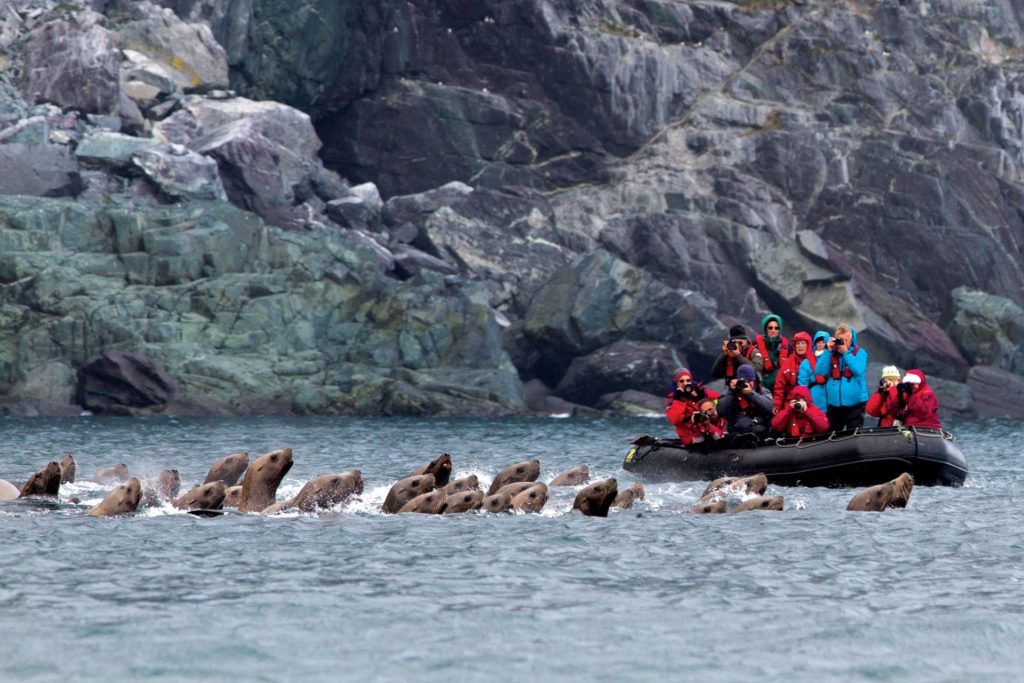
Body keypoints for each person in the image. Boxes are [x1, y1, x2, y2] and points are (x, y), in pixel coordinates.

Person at [813, 323, 868, 431]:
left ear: (852, 340)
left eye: (846, 340)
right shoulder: (831, 354)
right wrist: (827, 352)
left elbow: (859, 370)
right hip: (834, 405)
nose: (843, 343)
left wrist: (846, 353)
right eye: (840, 340)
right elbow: (819, 371)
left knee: (853, 434)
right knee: (832, 435)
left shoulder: (860, 353)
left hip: (855, 404)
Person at [715, 364, 774, 441]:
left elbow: (771, 407)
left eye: (750, 381)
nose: (747, 384)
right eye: (744, 381)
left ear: (754, 380)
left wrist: (751, 394)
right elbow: (721, 411)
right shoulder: (730, 392)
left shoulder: (762, 391)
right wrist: (731, 392)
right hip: (738, 429)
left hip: (761, 426)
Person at [665, 369, 721, 446]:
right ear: (676, 384)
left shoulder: (700, 391)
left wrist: (702, 398)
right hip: (690, 436)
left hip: (709, 429)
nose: (685, 383)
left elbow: (720, 400)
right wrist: (679, 400)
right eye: (681, 381)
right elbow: (675, 420)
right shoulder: (673, 399)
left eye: (688, 380)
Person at [772, 330, 813, 414]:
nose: (800, 346)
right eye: (798, 343)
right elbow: (780, 386)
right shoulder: (788, 362)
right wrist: (777, 405)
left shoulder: (814, 361)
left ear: (808, 345)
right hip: (791, 403)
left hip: (811, 402)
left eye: (803, 343)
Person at [755, 314, 791, 395]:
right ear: (765, 329)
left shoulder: (788, 347)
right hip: (762, 386)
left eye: (776, 328)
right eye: (770, 328)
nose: (773, 330)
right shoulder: (756, 344)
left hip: (781, 387)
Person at [798, 330, 830, 413]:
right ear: (815, 343)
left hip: (832, 402)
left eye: (823, 342)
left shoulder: (833, 358)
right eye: (818, 342)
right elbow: (802, 385)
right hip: (815, 400)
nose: (820, 344)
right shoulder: (806, 363)